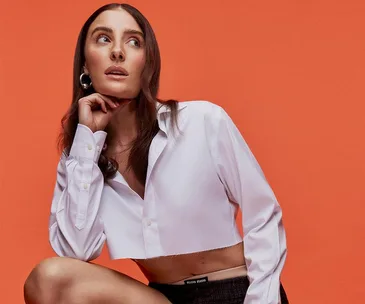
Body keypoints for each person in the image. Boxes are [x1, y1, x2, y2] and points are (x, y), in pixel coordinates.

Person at [24, 3, 289, 304]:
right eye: (103, 38)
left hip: (236, 290)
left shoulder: (202, 121)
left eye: (133, 42)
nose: (118, 52)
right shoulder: (80, 159)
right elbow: (76, 252)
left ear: (146, 64)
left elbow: (264, 215)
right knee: (49, 279)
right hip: (162, 298)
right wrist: (87, 141)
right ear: (85, 65)